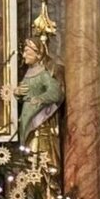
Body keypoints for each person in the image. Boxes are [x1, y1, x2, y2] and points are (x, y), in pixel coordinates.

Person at [16, 38, 63, 172]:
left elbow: (56, 93)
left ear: (38, 54)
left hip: (39, 123)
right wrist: (17, 93)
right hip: (26, 119)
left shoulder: (43, 73)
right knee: (27, 157)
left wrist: (40, 98)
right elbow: (25, 93)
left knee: (37, 156)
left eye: (26, 52)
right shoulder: (28, 73)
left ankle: (43, 187)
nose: (24, 55)